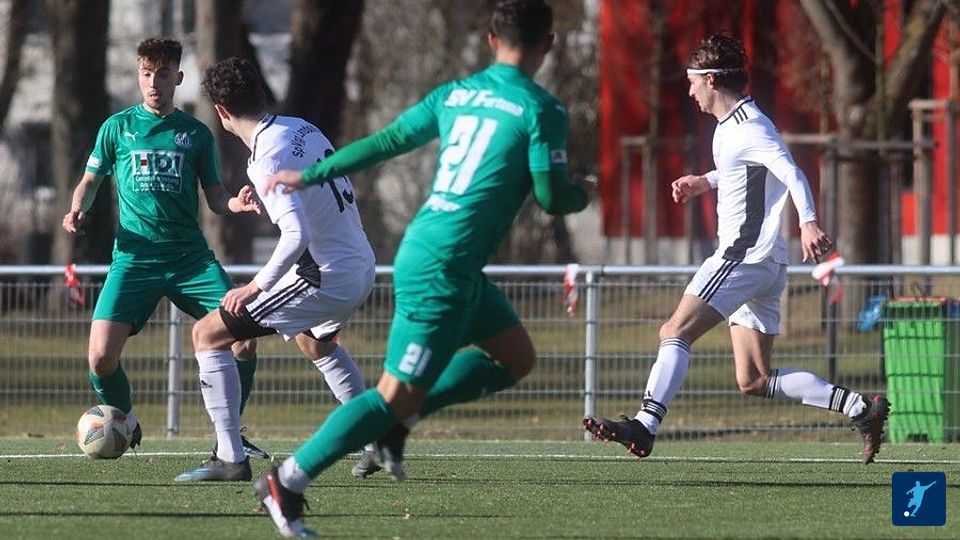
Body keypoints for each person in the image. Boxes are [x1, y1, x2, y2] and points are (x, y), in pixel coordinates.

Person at [256, 0, 587, 535]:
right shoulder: (541, 109)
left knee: (515, 357)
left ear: (491, 39)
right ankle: (287, 481)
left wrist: (311, 173)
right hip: (442, 267)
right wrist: (581, 192)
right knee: (391, 395)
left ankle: (399, 423)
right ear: (548, 44)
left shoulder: (455, 94)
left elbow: (388, 141)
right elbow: (552, 197)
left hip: (444, 256)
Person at [583, 33, 890, 464]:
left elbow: (792, 172)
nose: (690, 92)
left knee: (674, 331)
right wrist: (704, 182)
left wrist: (808, 221)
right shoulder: (735, 124)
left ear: (711, 79)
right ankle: (860, 407)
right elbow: (746, 170)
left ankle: (645, 425)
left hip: (742, 256)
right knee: (754, 378)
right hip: (766, 262)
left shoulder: (751, 127)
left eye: (693, 83)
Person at [173, 57, 377, 482]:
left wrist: (255, 286)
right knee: (314, 343)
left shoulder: (265, 157)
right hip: (360, 262)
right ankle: (376, 439)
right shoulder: (301, 128)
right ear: (261, 95)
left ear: (221, 112)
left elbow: (297, 234)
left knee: (207, 334)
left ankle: (230, 458)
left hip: (323, 275)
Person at [62, 37, 267, 457]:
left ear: (178, 77)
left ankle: (229, 436)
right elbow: (90, 181)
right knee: (100, 357)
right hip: (134, 259)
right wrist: (77, 208)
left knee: (244, 336)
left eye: (162, 74)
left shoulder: (196, 134)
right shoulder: (117, 128)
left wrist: (237, 203)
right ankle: (125, 419)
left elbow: (215, 196)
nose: (153, 82)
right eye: (146, 73)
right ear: (138, 75)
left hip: (189, 259)